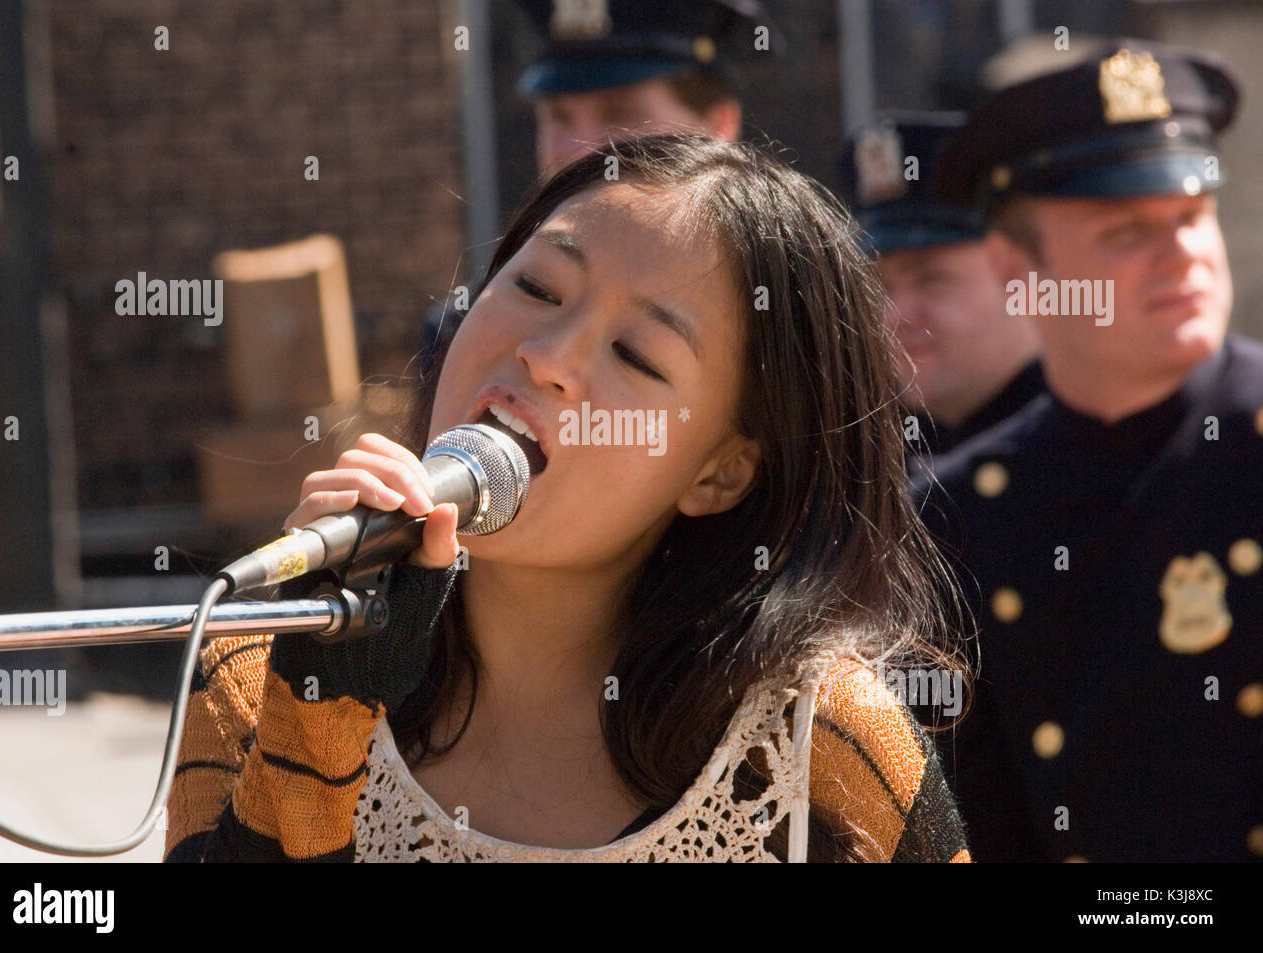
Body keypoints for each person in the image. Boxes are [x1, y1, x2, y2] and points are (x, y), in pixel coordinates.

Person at [164, 134, 971, 862]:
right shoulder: (257, 675)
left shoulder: (822, 745)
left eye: (637, 354)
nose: (547, 356)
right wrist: (319, 710)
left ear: (719, 473)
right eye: (539, 289)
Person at [917, 39, 1263, 862]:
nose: (1179, 251)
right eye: (1126, 230)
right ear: (1018, 269)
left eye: (1191, 216)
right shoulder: (950, 517)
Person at [418, 0, 779, 374]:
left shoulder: (794, 322)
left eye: (620, 115)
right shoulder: (468, 334)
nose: (582, 153)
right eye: (559, 116)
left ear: (718, 126)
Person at [841, 112, 1043, 458]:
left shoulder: (1106, 452)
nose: (894, 316)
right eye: (879, 289)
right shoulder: (863, 463)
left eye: (931, 281)